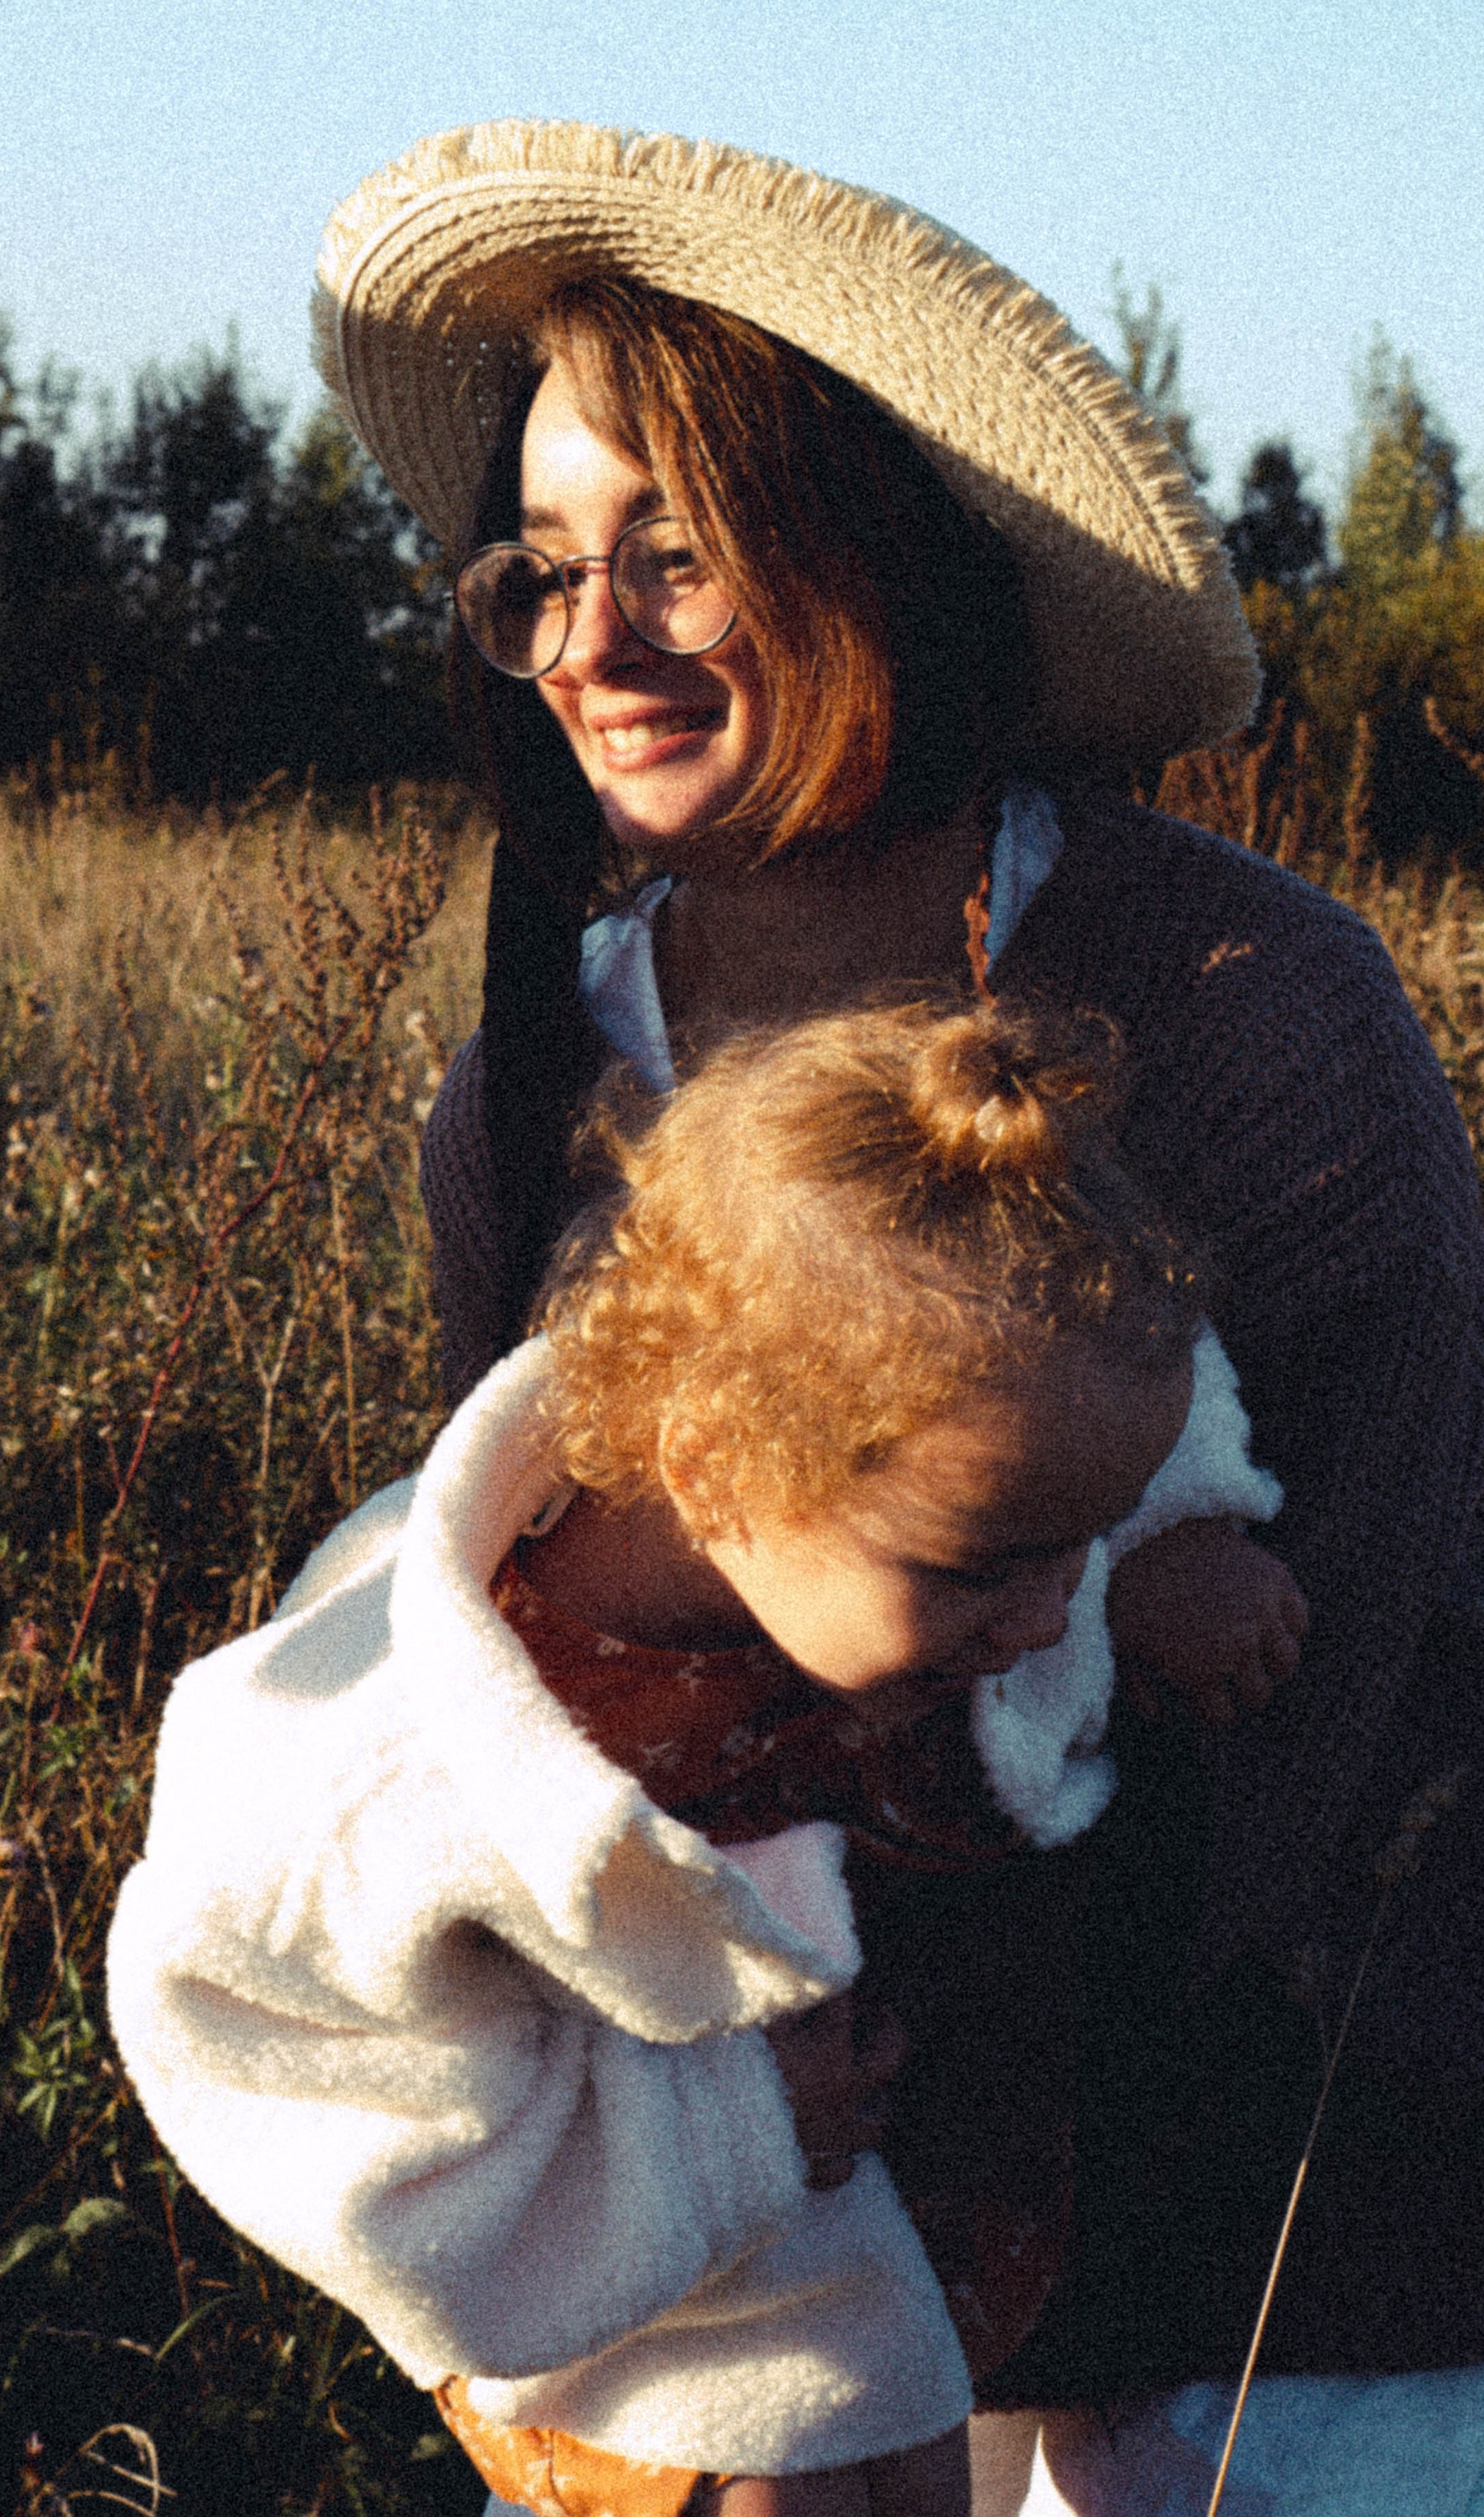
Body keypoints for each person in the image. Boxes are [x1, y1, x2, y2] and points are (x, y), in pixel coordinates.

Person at [308, 124, 1484, 2509]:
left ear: (867, 559)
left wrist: (924, 2084)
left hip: (1265, 2231)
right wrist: (661, 2146)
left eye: (677, 555)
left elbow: (1359, 1650)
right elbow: (502, 1656)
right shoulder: (527, 1090)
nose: (594, 644)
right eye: (542, 570)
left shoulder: (1242, 1006)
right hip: (739, 2244)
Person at [108, 997, 1291, 2517]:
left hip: (896, 2277)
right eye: (989, 1567)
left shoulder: (920, 1482)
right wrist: (722, 2129)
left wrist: (1170, 1542)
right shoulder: (402, 1756)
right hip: (651, 2338)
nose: (1047, 1615)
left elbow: (1087, 1415)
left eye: (1080, 1544)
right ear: (714, 1464)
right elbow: (280, 2077)